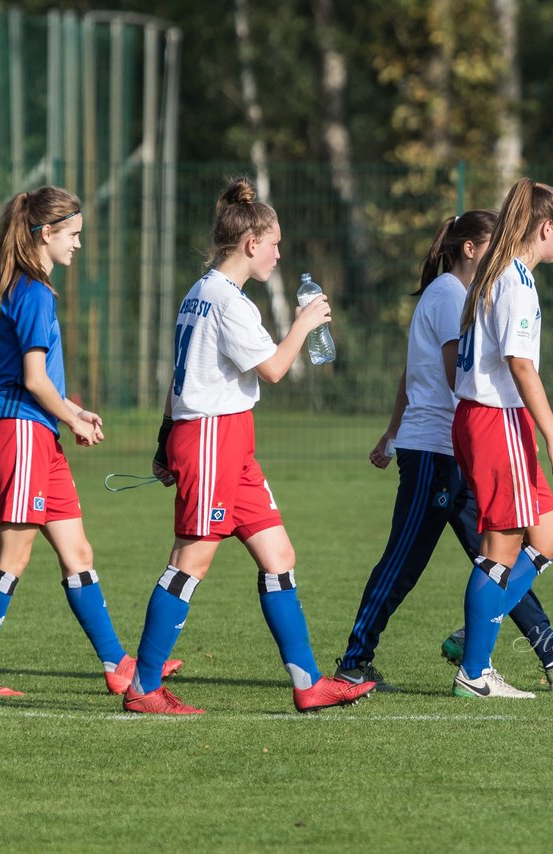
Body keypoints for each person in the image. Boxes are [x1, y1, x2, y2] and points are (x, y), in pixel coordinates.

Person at [122, 175, 376, 715]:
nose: (280, 254)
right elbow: (277, 370)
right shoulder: (228, 301)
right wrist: (305, 323)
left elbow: (178, 379)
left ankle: (308, 683)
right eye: (276, 244)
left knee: (279, 555)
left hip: (225, 440)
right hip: (213, 437)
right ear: (251, 243)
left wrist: (164, 441)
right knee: (190, 561)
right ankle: (144, 686)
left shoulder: (200, 291)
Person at [334, 210, 553, 694]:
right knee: (405, 561)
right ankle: (356, 661)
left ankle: (531, 647)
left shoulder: (464, 293)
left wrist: (390, 429)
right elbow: (452, 375)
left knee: (502, 555)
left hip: (454, 447)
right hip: (438, 450)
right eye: (492, 243)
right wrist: (405, 432)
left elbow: (410, 373)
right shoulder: (449, 293)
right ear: (469, 249)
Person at [0, 186, 182, 696]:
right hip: (19, 433)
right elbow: (32, 379)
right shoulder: (32, 291)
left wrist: (73, 411)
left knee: (78, 549)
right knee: (11, 556)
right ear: (46, 233)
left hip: (38, 433)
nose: (79, 244)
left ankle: (118, 663)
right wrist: (71, 419)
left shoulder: (33, 290)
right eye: (73, 235)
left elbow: (37, 380)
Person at [449, 176, 553, 700]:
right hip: (496, 421)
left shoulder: (498, 275)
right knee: (499, 551)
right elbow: (519, 364)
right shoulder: (514, 280)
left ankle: (478, 625)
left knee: (549, 538)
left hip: (489, 420)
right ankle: (475, 670)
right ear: (546, 227)